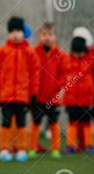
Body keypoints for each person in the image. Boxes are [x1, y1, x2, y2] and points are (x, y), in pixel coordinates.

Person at [0, 16, 40, 162]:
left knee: (21, 123)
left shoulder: (30, 53)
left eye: (18, 30)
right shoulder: (2, 52)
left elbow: (35, 75)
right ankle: (4, 149)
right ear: (8, 33)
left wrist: (34, 94)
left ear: (23, 33)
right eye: (12, 31)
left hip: (23, 97)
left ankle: (21, 150)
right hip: (5, 95)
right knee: (5, 122)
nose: (15, 34)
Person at [28, 22, 66, 160]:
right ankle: (32, 148)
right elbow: (29, 73)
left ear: (55, 37)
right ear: (39, 36)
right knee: (35, 122)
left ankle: (55, 150)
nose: (47, 38)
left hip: (54, 97)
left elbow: (65, 74)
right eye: (44, 34)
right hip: (37, 97)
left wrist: (58, 85)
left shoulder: (61, 55)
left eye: (50, 34)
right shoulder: (33, 52)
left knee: (54, 123)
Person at [63, 37, 94, 154]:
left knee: (87, 122)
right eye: (76, 52)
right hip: (71, 99)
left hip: (86, 99)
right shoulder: (67, 60)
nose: (78, 54)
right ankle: (70, 145)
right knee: (72, 122)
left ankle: (89, 145)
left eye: (80, 52)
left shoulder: (89, 60)